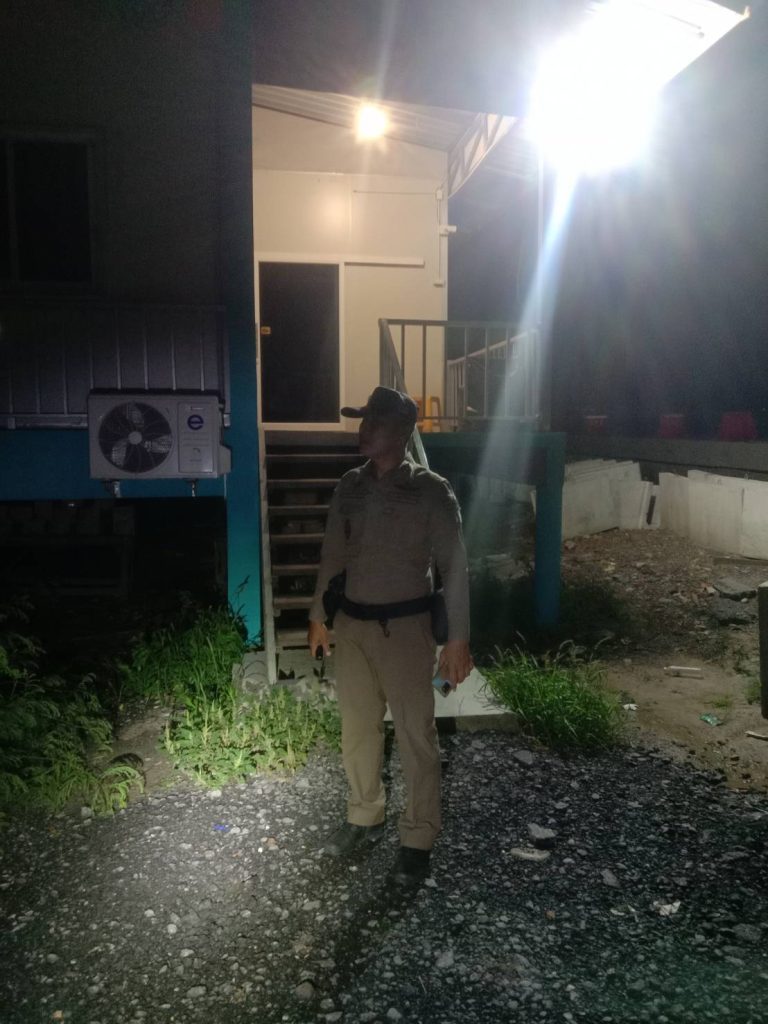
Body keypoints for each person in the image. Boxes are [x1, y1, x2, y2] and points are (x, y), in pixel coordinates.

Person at [307, 386, 473, 885]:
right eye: (362, 421)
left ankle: (418, 837)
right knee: (357, 729)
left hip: (405, 630)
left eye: (373, 423)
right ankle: (364, 814)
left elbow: (455, 568)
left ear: (401, 432)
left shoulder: (431, 490)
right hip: (352, 627)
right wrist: (318, 615)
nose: (363, 430)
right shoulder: (350, 485)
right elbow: (333, 554)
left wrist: (458, 640)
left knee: (416, 735)